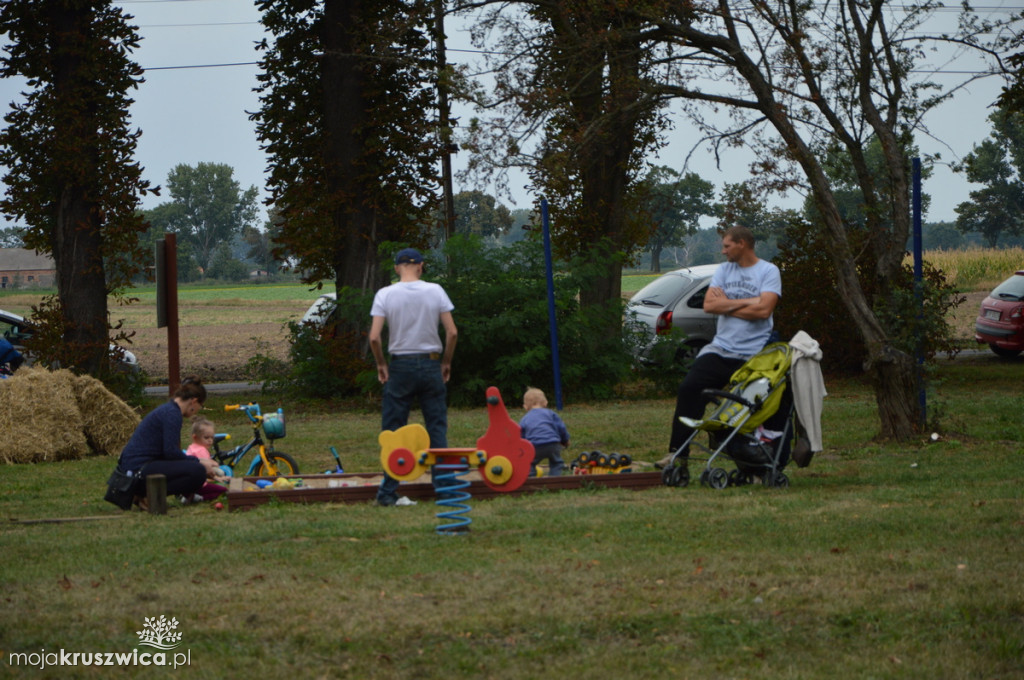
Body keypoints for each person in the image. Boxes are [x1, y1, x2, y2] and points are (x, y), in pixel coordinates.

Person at [661, 226, 782, 476]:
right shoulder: (724, 270)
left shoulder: (768, 271)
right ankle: (677, 454)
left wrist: (727, 305)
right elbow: (709, 305)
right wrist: (750, 300)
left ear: (742, 244)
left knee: (754, 406)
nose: (723, 250)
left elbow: (764, 311)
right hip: (720, 348)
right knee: (689, 389)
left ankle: (760, 460)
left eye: (727, 246)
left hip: (754, 355)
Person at [369, 248, 458, 506]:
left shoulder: (385, 294)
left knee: (394, 430)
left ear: (397, 268)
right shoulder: (436, 291)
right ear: (420, 266)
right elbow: (452, 332)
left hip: (400, 367)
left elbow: (374, 337)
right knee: (437, 429)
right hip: (431, 365)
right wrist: (446, 362)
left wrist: (381, 364)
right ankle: (446, 492)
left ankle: (388, 494)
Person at [114, 377, 209, 509]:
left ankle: (141, 493)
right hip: (138, 470)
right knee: (198, 472)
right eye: (200, 405)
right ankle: (147, 495)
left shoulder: (168, 410)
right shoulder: (172, 414)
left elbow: (168, 453)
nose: (198, 410)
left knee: (194, 468)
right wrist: (199, 462)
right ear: (194, 401)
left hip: (133, 468)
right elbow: (171, 452)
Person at [519, 387, 569, 477]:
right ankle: (554, 481)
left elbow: (521, 434)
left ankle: (531, 481)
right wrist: (565, 440)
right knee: (556, 463)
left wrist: (522, 448)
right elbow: (561, 427)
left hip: (534, 446)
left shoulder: (525, 418)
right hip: (552, 443)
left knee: (529, 463)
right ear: (545, 403)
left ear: (525, 407)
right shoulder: (551, 414)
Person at [184, 416, 229, 502]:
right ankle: (199, 498)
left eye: (212, 437)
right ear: (195, 437)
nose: (210, 441)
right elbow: (207, 470)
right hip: (197, 485)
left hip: (186, 483)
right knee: (223, 491)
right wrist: (218, 478)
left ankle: (189, 495)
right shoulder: (201, 450)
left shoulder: (191, 447)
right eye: (206, 437)